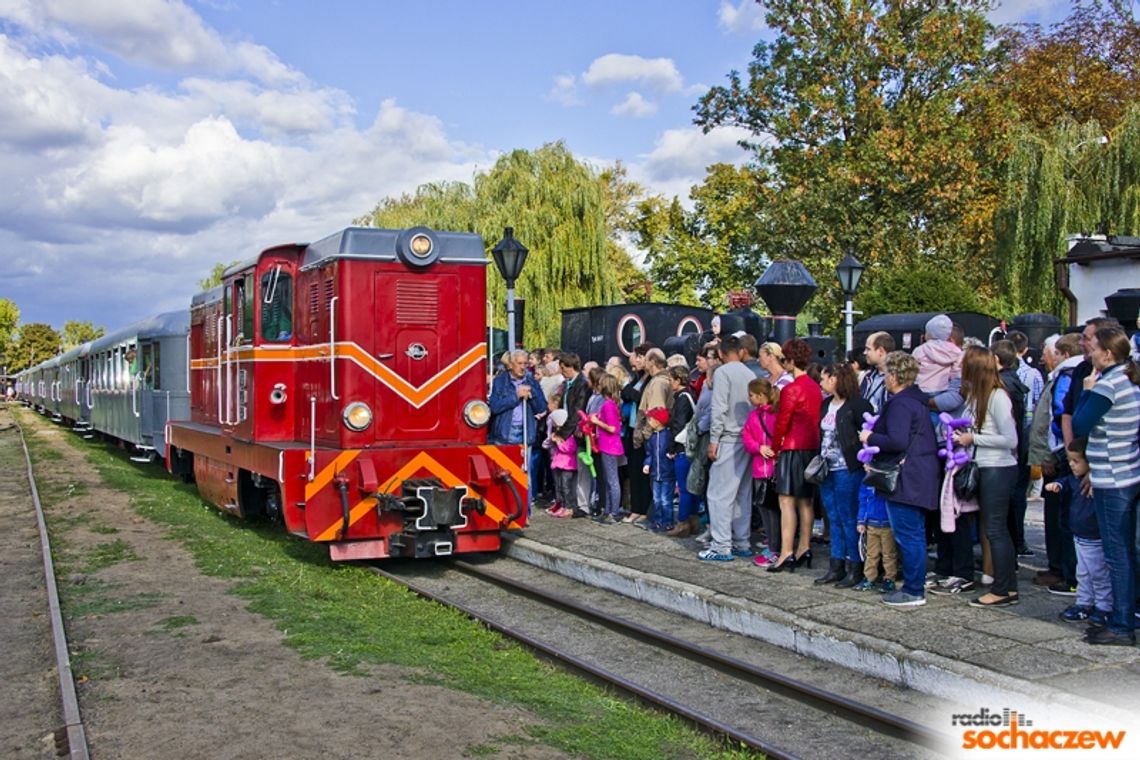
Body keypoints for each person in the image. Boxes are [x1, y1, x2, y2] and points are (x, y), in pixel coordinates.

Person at [1071, 327, 1140, 646]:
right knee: (1126, 548)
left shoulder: (1108, 384)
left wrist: (1086, 389)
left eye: (1093, 348)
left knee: (1117, 551)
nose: (1089, 352)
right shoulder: (1130, 377)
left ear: (1108, 354)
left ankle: (1122, 623)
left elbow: (1081, 425)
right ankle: (1125, 614)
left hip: (1113, 478)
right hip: (1127, 470)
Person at [859, 351, 940, 606]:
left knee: (908, 534)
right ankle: (914, 586)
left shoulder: (900, 403)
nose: (884, 379)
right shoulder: (917, 400)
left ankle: (914, 590)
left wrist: (869, 437)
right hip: (919, 473)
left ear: (894, 375)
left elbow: (897, 440)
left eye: (885, 374)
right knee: (913, 532)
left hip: (906, 477)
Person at [954, 345, 1020, 608]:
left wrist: (973, 438)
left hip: (998, 468)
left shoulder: (997, 396)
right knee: (993, 528)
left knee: (995, 529)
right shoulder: (976, 396)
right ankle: (1008, 586)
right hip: (983, 466)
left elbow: (1010, 438)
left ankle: (1002, 588)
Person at [697, 336, 757, 562]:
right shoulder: (749, 373)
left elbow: (719, 407)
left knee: (719, 494)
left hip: (728, 438)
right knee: (742, 493)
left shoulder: (722, 373)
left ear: (722, 353)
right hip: (746, 438)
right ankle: (741, 541)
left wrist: (714, 439)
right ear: (740, 351)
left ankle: (721, 544)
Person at [815, 363, 873, 587]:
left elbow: (867, 431)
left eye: (824, 377)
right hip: (827, 467)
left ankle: (855, 564)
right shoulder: (826, 404)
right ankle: (836, 563)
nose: (821, 382)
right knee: (833, 516)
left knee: (849, 516)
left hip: (848, 468)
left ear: (836, 379)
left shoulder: (857, 405)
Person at [768, 338, 823, 572]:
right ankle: (804, 546)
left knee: (786, 501)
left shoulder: (791, 388)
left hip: (792, 446)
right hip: (811, 446)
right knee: (805, 501)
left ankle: (786, 551)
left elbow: (782, 422)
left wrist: (775, 447)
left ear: (790, 360)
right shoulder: (815, 387)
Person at [1045, 439, 1111, 628]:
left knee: (1099, 574)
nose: (1072, 465)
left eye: (1076, 461)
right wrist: (1057, 485)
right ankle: (1084, 603)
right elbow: (1064, 482)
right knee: (1083, 573)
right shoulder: (1072, 480)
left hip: (1094, 537)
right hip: (1079, 536)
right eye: (1070, 461)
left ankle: (1104, 606)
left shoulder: (1096, 483)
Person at [742, 377, 780, 566]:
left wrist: (769, 448)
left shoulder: (775, 415)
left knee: (773, 511)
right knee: (764, 509)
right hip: (759, 469)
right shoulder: (754, 416)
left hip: (773, 470)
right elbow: (746, 437)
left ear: (760, 395)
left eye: (751, 395)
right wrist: (759, 447)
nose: (749, 398)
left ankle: (775, 547)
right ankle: (772, 544)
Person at [665, 366, 699, 537]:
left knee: (684, 487)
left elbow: (678, 425)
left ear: (678, 380)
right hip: (690, 447)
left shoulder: (682, 399)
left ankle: (683, 522)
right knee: (691, 487)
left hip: (682, 448)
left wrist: (671, 447)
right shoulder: (690, 395)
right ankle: (693, 521)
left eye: (671, 379)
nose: (670, 382)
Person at [488, 349, 546, 447]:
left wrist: (533, 393)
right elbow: (494, 407)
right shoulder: (500, 381)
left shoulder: (532, 382)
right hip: (505, 433)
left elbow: (541, 408)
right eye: (519, 363)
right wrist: (516, 396)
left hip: (526, 433)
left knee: (524, 463)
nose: (523, 367)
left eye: (525, 363)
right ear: (511, 365)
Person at [913, 314, 962, 396]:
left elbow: (913, 368)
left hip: (922, 388)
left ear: (929, 334)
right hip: (943, 389)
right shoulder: (955, 351)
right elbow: (955, 371)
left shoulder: (920, 350)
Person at [643, 407, 674, 532]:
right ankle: (658, 520)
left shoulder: (668, 436)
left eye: (651, 419)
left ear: (658, 421)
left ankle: (668, 521)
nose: (649, 421)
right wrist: (647, 464)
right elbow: (650, 453)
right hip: (656, 473)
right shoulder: (653, 437)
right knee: (657, 499)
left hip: (667, 472)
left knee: (666, 499)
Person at [544, 408, 578, 519]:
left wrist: (558, 442)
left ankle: (568, 507)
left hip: (567, 464)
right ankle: (562, 505)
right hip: (559, 463)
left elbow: (570, 449)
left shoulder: (569, 435)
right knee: (559, 486)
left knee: (566, 487)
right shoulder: (558, 434)